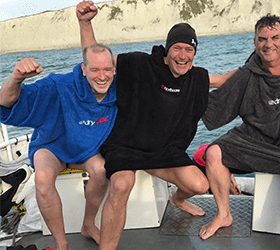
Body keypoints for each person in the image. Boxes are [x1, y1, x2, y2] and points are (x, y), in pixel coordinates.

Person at [75, 1, 236, 249]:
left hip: (163, 151)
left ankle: (177, 200)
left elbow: (225, 80)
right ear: (167, 49)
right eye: (177, 48)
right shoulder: (140, 64)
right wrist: (85, 22)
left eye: (189, 50)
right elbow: (97, 63)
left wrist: (270, 62)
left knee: (199, 185)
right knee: (121, 184)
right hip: (126, 146)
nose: (182, 56)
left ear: (195, 53)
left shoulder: (196, 77)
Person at [199, 14, 280, 249]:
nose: (269, 44)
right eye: (262, 39)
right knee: (213, 152)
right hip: (254, 139)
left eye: (275, 37)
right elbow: (212, 106)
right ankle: (224, 214)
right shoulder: (246, 75)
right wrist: (172, 93)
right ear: (255, 43)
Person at [0, 44, 118, 250]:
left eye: (107, 69)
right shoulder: (59, 85)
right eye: (94, 70)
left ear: (114, 69)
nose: (102, 76)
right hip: (51, 144)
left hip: (85, 149)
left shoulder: (120, 89)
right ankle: (61, 243)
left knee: (101, 169)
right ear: (83, 69)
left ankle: (88, 224)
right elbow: (5, 102)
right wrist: (17, 78)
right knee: (43, 178)